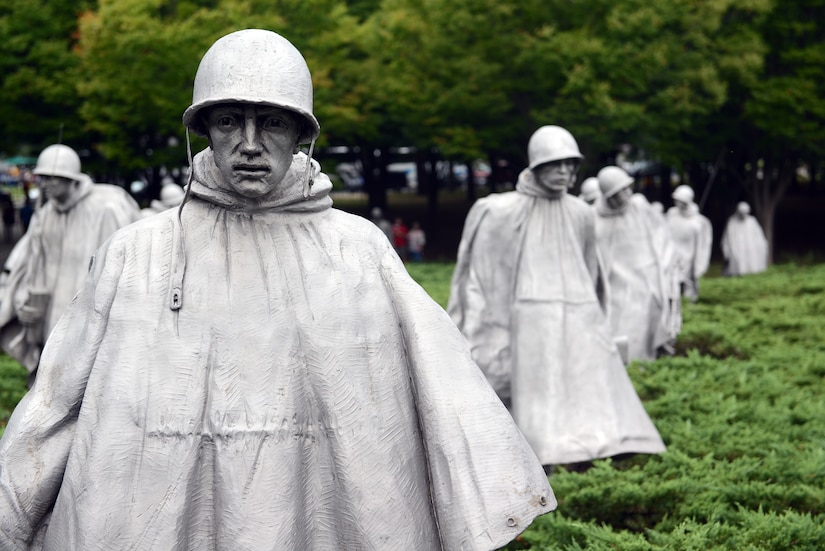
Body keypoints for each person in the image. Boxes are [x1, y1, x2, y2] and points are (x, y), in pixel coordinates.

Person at [0, 29, 554, 550]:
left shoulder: (357, 251)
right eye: (227, 121)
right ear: (204, 130)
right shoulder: (137, 253)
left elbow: (443, 388)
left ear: (301, 134)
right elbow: (55, 404)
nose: (248, 144)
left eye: (271, 123)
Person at [448, 125, 665, 468]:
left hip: (580, 310)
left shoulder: (581, 213)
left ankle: (592, 453)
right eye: (555, 164)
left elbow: (594, 270)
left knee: (588, 389)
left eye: (570, 165)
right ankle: (537, 459)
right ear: (536, 166)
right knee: (539, 398)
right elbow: (484, 278)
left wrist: (598, 319)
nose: (564, 172)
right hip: (532, 312)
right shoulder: (501, 210)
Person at [0, 144, 140, 384]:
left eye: (53, 178)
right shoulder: (45, 214)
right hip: (50, 311)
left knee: (85, 378)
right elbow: (29, 260)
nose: (45, 184)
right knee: (49, 377)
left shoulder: (106, 207)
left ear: (71, 179)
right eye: (42, 178)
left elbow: (126, 262)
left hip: (88, 312)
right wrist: (24, 297)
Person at [594, 166, 680, 362]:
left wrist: (666, 267)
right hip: (617, 283)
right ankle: (629, 368)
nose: (627, 194)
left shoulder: (639, 206)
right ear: (609, 195)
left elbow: (661, 235)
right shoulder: (595, 218)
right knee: (622, 325)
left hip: (647, 279)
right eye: (620, 191)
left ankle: (647, 365)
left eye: (627, 188)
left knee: (650, 323)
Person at [666, 185, 712, 302]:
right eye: (676, 200)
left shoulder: (698, 221)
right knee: (671, 280)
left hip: (689, 254)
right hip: (672, 253)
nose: (677, 203)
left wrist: (700, 262)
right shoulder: (671, 215)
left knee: (688, 281)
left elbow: (703, 244)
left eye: (680, 200)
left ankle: (689, 301)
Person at [720, 201, 768, 276]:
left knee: (751, 267)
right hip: (737, 249)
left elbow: (759, 236)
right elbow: (726, 238)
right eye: (742, 213)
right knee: (738, 266)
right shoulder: (732, 222)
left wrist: (762, 246)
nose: (743, 215)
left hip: (750, 249)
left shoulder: (752, 221)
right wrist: (726, 251)